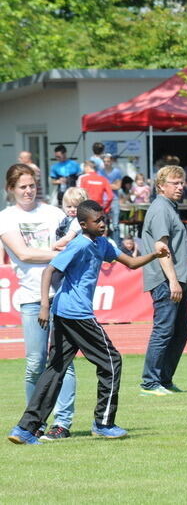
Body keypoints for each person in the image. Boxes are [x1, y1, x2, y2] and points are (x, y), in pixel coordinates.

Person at [7, 200, 169, 445]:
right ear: (83, 224)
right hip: (75, 314)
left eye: (104, 219)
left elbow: (132, 263)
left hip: (66, 314)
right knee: (112, 361)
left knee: (55, 370)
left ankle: (25, 429)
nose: (103, 224)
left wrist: (155, 255)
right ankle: (104, 423)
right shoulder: (80, 244)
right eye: (97, 221)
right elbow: (49, 271)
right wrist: (43, 305)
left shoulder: (102, 244)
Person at [0, 164, 76, 440]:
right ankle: (35, 420)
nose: (28, 191)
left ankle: (62, 423)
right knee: (35, 363)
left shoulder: (54, 213)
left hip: (63, 297)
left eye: (31, 185)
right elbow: (23, 254)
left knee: (64, 362)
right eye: (22, 186)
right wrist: (56, 251)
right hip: (31, 298)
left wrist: (62, 249)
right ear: (11, 189)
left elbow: (73, 243)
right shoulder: (5, 218)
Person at [140, 166, 187, 396]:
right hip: (166, 279)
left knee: (182, 329)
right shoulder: (161, 208)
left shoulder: (169, 208)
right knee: (164, 329)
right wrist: (172, 280)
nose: (180, 186)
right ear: (161, 185)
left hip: (176, 278)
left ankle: (164, 378)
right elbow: (161, 248)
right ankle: (150, 382)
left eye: (182, 182)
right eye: (175, 182)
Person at [98, 154, 124, 243]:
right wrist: (111, 185)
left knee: (115, 224)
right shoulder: (99, 172)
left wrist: (105, 185)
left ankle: (117, 244)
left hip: (114, 199)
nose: (106, 163)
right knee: (103, 223)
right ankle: (103, 243)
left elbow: (118, 186)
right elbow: (99, 186)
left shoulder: (117, 172)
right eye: (104, 161)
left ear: (111, 162)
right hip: (102, 199)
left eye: (108, 161)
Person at [53, 187, 88, 252]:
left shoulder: (78, 220)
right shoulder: (68, 219)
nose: (72, 209)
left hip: (77, 251)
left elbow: (68, 238)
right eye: (69, 206)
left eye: (76, 206)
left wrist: (53, 246)